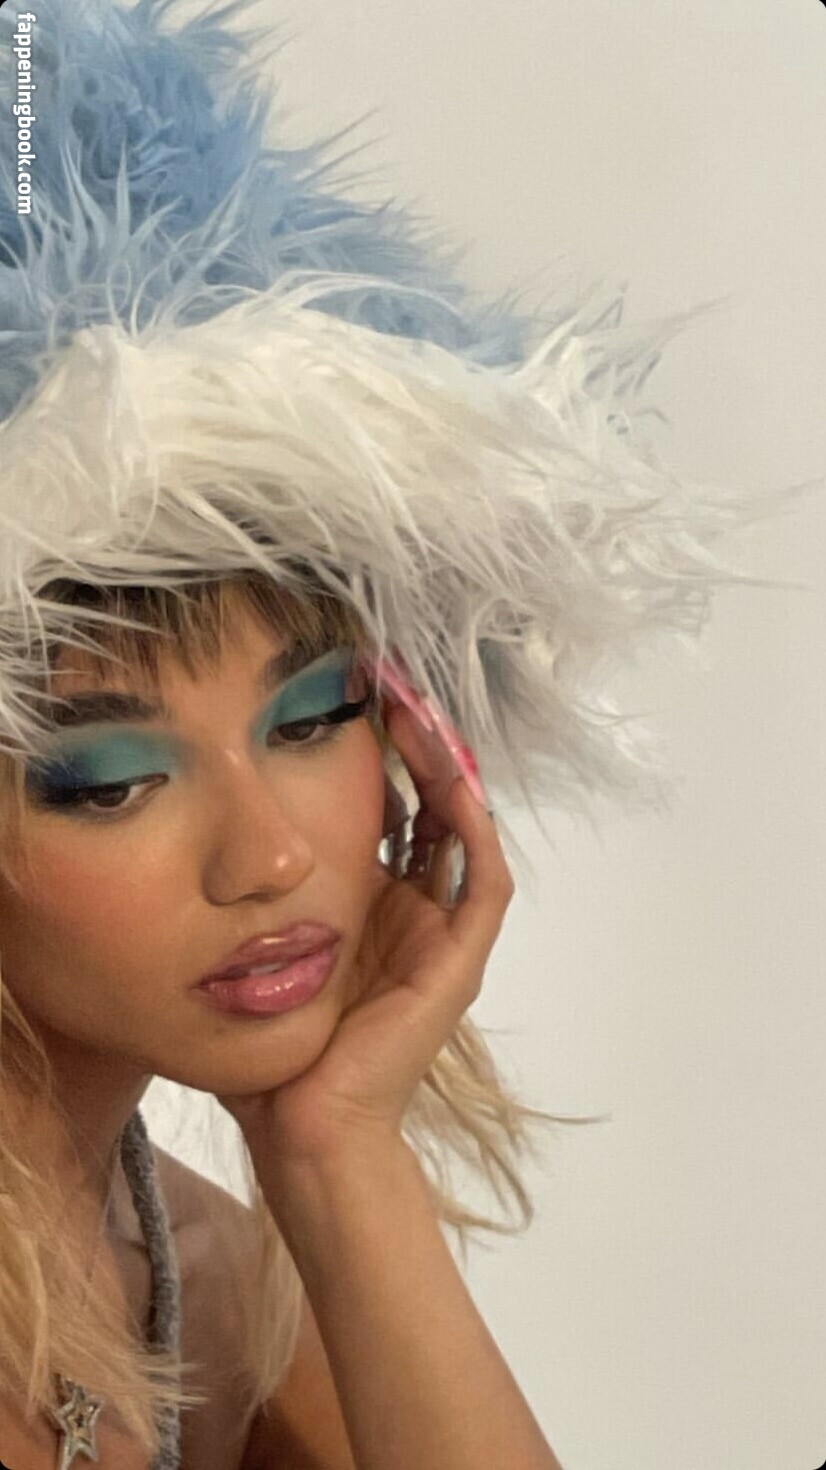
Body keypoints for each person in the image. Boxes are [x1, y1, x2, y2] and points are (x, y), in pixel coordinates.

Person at [0, 1, 810, 1467]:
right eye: (110, 779)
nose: (270, 857)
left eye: (314, 715)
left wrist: (340, 1158)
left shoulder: (204, 1279)